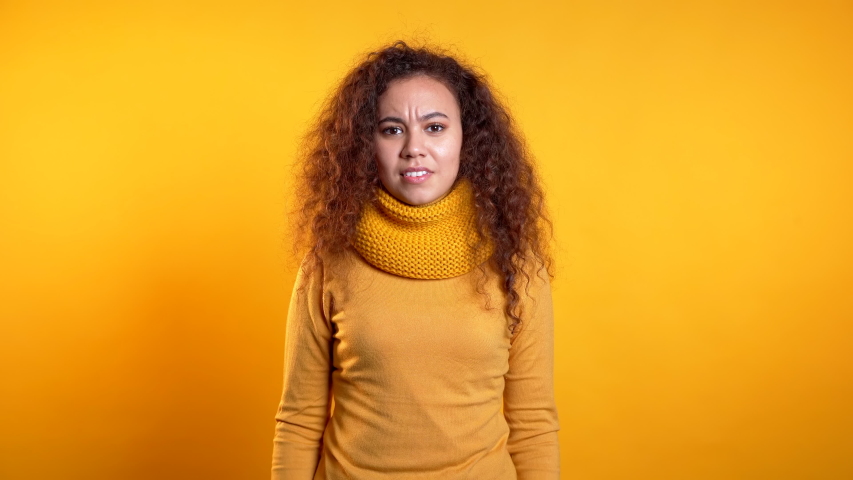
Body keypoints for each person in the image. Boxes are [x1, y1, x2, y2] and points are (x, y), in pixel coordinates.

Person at [271, 41, 560, 480]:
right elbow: (299, 419)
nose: (414, 148)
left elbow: (534, 425)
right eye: (391, 129)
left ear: (469, 138)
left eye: (435, 127)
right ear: (365, 144)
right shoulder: (328, 261)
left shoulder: (517, 263)